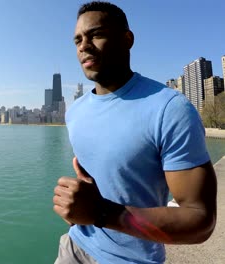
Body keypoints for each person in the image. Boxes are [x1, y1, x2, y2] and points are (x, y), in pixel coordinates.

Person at [52, 1, 217, 263]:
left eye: (96, 34)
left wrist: (101, 212)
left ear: (127, 39)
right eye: (78, 40)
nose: (84, 46)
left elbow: (200, 220)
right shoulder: (75, 112)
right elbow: (100, 180)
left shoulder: (170, 108)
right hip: (74, 246)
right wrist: (76, 205)